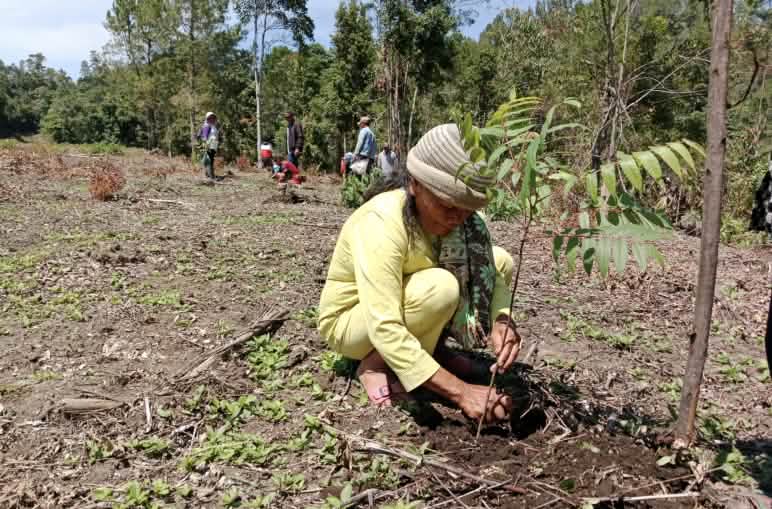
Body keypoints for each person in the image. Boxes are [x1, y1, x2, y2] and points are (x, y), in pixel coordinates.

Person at [318, 123, 520, 424]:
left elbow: (494, 271)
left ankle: (432, 352)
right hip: (353, 321)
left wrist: (503, 320)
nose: (458, 218)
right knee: (441, 288)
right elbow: (384, 325)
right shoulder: (382, 222)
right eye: (446, 205)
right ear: (414, 185)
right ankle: (376, 365)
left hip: (403, 305)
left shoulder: (465, 222)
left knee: (498, 260)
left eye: (465, 209)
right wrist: (463, 393)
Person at [198, 112, 219, 180]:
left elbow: (214, 136)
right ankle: (211, 177)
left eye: (213, 117)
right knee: (209, 161)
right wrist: (205, 145)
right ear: (207, 118)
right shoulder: (207, 125)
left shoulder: (213, 126)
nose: (212, 119)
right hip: (209, 145)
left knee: (210, 160)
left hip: (213, 145)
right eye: (210, 117)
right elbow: (204, 136)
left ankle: (208, 175)